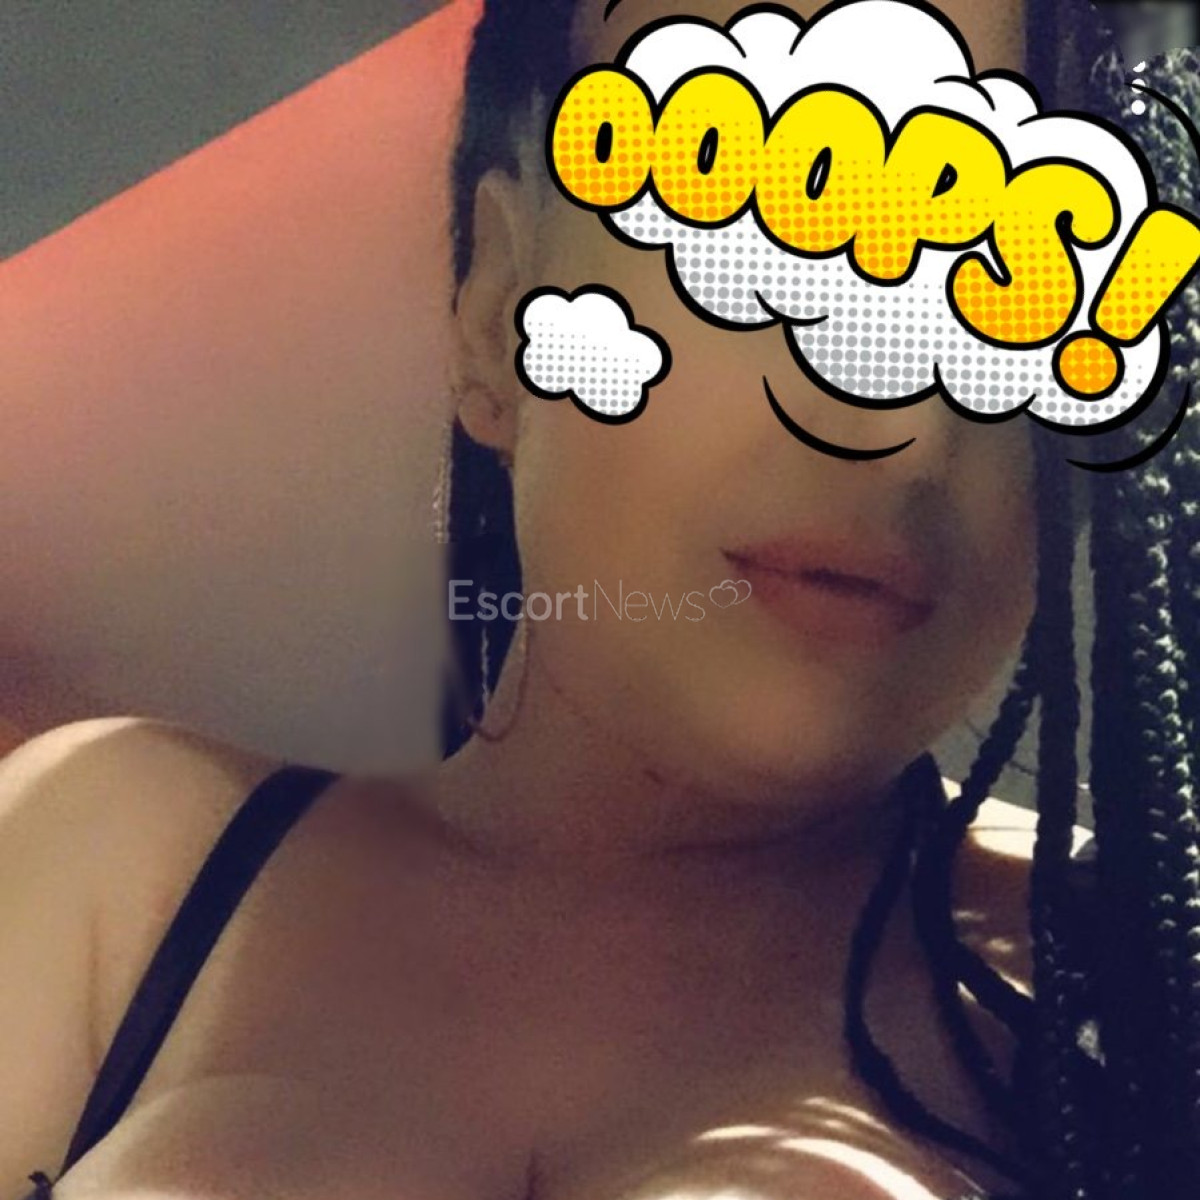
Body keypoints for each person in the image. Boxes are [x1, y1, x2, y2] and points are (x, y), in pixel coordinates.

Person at [0, 3, 1195, 1200]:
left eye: (1029, 288)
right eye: (776, 220)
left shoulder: (1142, 978)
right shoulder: (119, 859)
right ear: (497, 308)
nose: (904, 429)